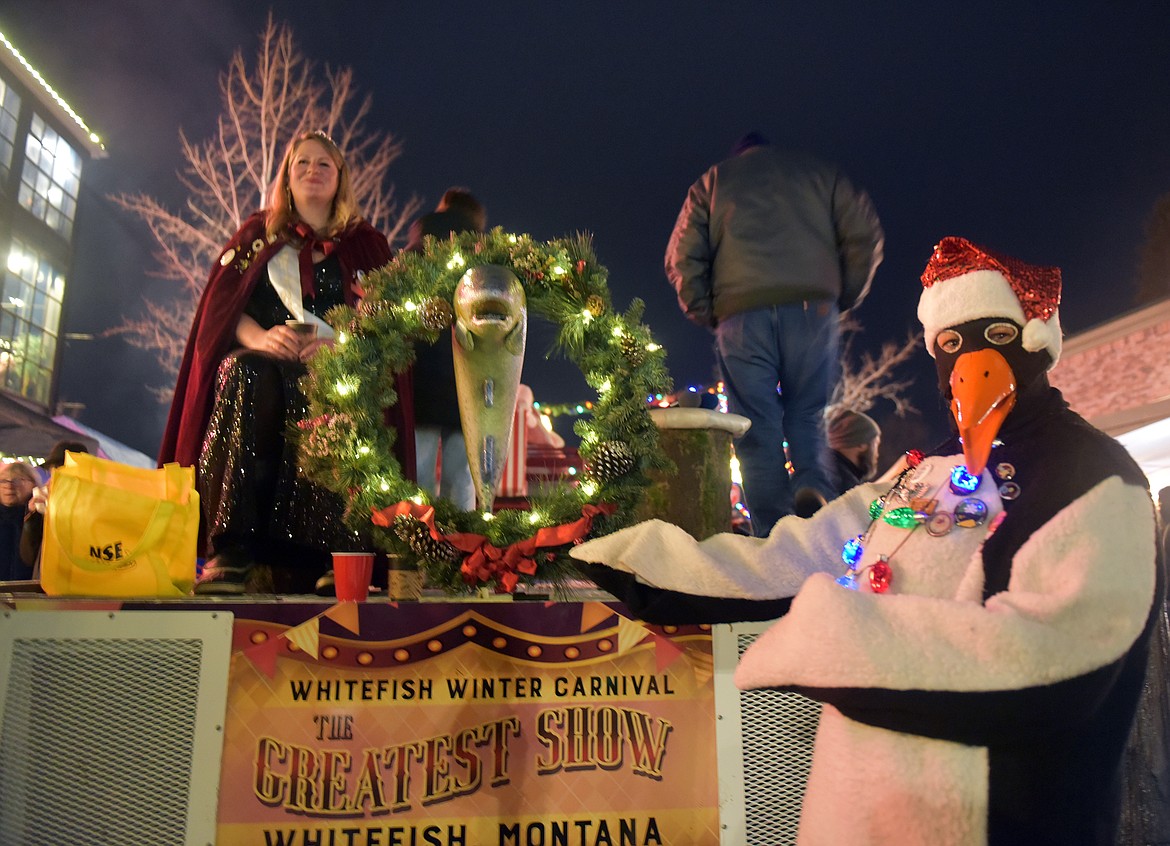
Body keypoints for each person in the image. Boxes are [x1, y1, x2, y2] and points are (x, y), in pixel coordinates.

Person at [574, 237, 1162, 845]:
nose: (971, 365)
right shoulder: (924, 471)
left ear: (1035, 341)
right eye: (951, 345)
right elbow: (792, 560)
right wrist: (609, 550)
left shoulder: (1095, 474)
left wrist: (833, 639)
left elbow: (1062, 660)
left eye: (997, 337)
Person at [159, 129, 415, 595]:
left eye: (324, 164)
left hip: (339, 370)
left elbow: (390, 321)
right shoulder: (259, 236)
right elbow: (223, 309)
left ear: (340, 178)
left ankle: (330, 553)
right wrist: (259, 337)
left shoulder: (367, 246)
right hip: (267, 367)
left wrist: (344, 345)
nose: (312, 171)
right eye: (302, 164)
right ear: (287, 177)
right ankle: (233, 548)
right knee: (243, 373)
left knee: (339, 392)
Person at [665, 132, 884, 536]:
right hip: (812, 309)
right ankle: (813, 493)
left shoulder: (713, 182)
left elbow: (682, 255)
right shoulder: (820, 174)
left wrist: (708, 312)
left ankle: (773, 532)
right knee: (807, 413)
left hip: (741, 315)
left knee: (755, 425)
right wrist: (841, 296)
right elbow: (864, 235)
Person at [404, 188, 487, 510]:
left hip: (421, 378)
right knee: (462, 477)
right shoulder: (485, 255)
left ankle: (417, 544)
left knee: (419, 471)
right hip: (469, 380)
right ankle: (460, 547)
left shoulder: (421, 242)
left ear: (444, 206)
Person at [19, 439, 89, 574]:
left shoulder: (94, 504)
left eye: (64, 470)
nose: (54, 478)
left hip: (80, 585)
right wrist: (33, 516)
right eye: (54, 471)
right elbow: (29, 556)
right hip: (47, 585)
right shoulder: (45, 503)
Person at [825, 408, 881, 495]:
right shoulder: (845, 485)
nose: (877, 454)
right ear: (861, 445)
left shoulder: (821, 469)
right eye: (876, 445)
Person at [0, 461, 38, 582]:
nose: (9, 486)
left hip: (29, 593)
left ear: (33, 484)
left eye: (17, 480)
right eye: (3, 481)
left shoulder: (40, 518)